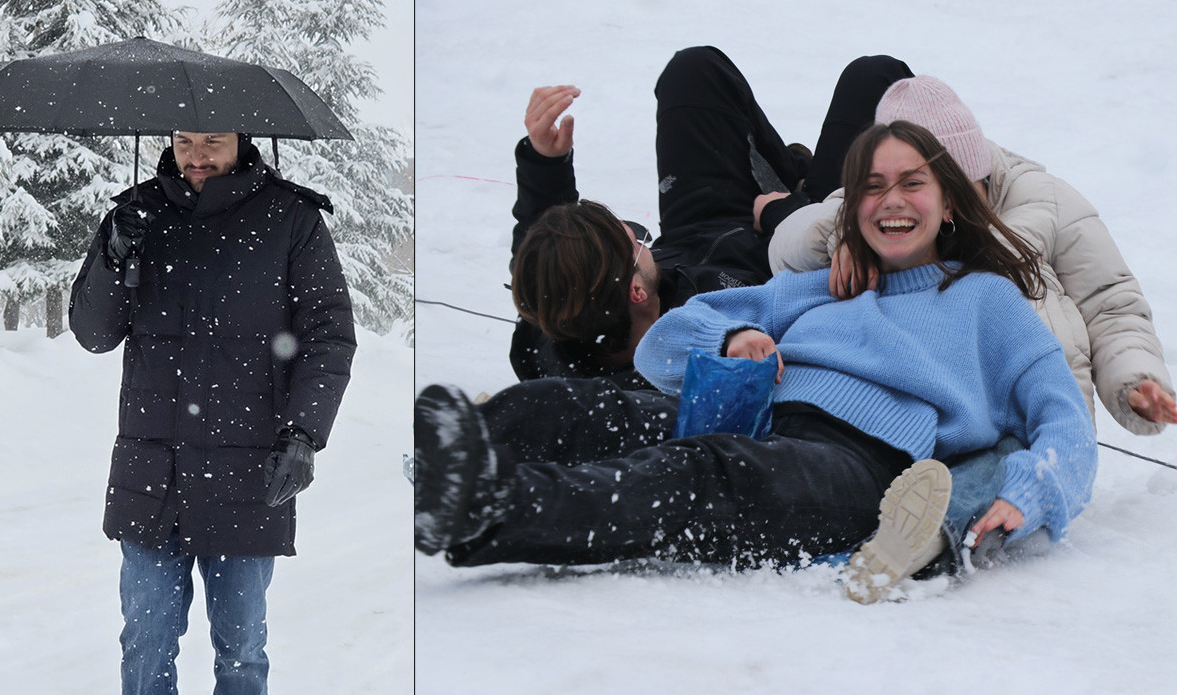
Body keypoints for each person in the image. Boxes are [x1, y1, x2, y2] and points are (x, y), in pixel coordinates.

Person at [414, 121, 1097, 606]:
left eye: (912, 183)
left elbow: (1064, 422)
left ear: (947, 201)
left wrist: (1031, 493)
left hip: (863, 467)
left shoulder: (988, 302)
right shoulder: (825, 283)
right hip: (755, 414)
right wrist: (736, 334)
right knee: (573, 403)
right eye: (873, 185)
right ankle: (448, 459)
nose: (892, 199)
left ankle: (490, 507)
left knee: (702, 476)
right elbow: (664, 343)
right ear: (853, 205)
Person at [70, 130, 356, 694]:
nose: (196, 156)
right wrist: (113, 254)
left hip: (247, 475)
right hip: (153, 476)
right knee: (146, 644)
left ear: (242, 140)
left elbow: (328, 335)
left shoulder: (290, 219)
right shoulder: (137, 215)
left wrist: (303, 433)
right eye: (184, 141)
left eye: (213, 141)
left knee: (241, 650)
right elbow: (93, 332)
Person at [770, 75, 1177, 435]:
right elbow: (784, 248)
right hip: (916, 423)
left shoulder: (1046, 201)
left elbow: (1109, 303)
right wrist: (845, 238)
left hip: (1043, 428)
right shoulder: (876, 202)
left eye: (962, 189)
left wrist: (1134, 379)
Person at [508, 47, 914, 387]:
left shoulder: (551, 327)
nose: (638, 235)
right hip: (794, 248)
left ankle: (790, 170)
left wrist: (546, 161)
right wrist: (782, 214)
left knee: (694, 70)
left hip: (697, 228)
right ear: (636, 292)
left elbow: (543, 261)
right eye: (634, 241)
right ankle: (805, 182)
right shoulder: (719, 338)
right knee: (874, 78)